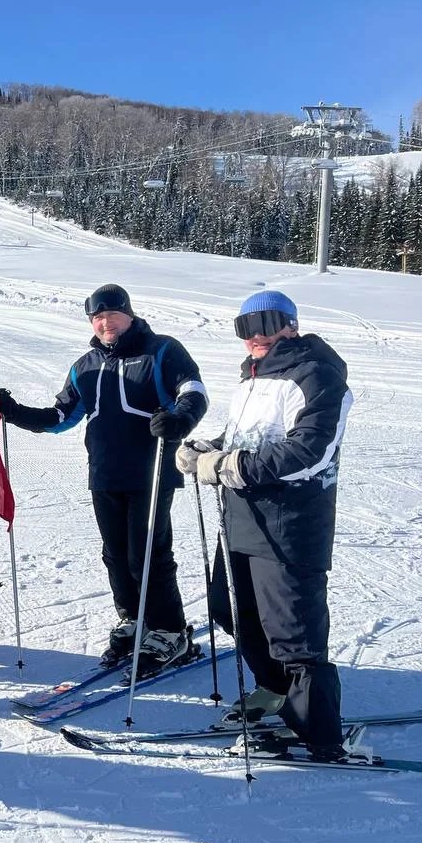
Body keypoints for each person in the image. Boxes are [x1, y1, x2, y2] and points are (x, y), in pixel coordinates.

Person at [0, 284, 208, 673]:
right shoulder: (85, 366)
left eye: (113, 314)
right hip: (105, 472)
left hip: (152, 469)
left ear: (129, 314)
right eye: (98, 317)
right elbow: (61, 417)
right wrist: (13, 412)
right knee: (115, 553)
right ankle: (133, 619)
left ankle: (169, 631)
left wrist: (181, 418)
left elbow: (192, 390)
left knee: (147, 553)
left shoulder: (161, 351)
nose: (106, 322)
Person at [177, 290, 352, 760]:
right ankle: (274, 689)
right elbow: (245, 440)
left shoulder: (317, 375)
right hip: (242, 517)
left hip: (289, 522)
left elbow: (308, 451)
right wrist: (204, 450)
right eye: (245, 327)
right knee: (231, 609)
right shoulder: (252, 378)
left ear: (290, 324)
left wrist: (228, 464)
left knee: (293, 630)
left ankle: (314, 729)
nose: (256, 335)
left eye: (268, 323)